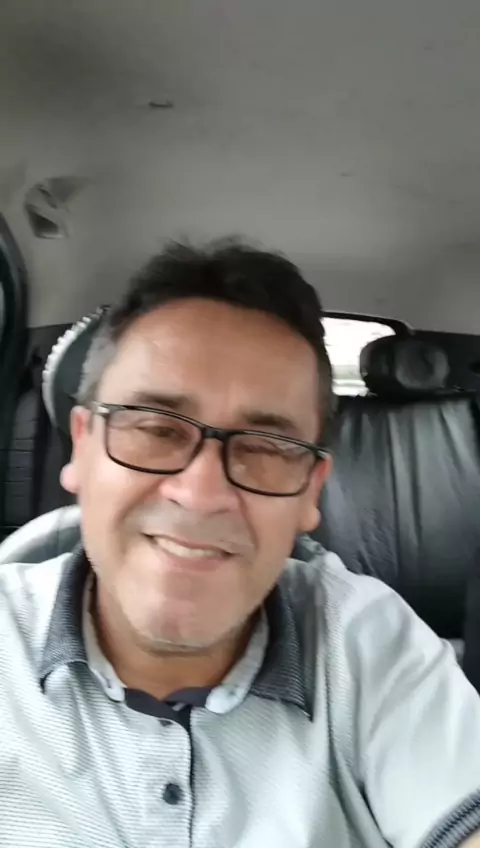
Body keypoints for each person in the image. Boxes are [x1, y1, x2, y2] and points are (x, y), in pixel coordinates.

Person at [1, 238, 480, 848]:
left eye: (267, 447)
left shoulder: (370, 645)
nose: (200, 494)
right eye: (155, 428)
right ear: (83, 445)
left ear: (311, 490)